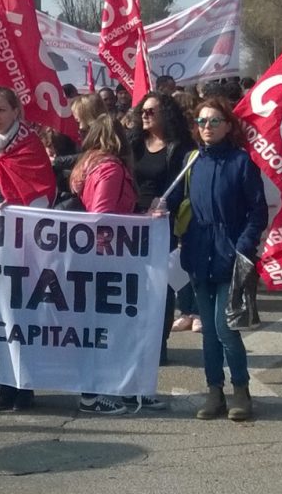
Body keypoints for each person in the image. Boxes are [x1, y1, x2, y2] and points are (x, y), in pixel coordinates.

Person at [166, 98, 268, 423]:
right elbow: (178, 202)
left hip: (231, 254)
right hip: (198, 253)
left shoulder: (242, 162)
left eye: (213, 121)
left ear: (228, 125)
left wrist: (242, 246)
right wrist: (159, 209)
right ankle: (214, 390)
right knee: (208, 331)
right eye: (201, 121)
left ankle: (241, 389)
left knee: (226, 329)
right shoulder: (191, 160)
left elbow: (258, 211)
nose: (206, 127)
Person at [0, 88, 56, 411]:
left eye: (0, 110)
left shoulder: (30, 146)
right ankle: (4, 383)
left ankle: (25, 384)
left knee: (20, 313)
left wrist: (16, 206)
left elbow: (43, 190)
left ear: (16, 111)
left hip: (21, 244)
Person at [69, 114, 155, 414]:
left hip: (97, 257)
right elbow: (103, 215)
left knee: (103, 326)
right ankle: (93, 395)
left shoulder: (86, 165)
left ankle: (115, 388)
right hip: (109, 258)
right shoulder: (110, 168)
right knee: (108, 327)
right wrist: (142, 221)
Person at [130, 93, 199, 341]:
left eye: (151, 111)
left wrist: (166, 204)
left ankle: (158, 343)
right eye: (143, 112)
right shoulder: (134, 142)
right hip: (132, 221)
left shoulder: (181, 148)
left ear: (166, 115)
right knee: (135, 283)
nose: (145, 116)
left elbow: (185, 186)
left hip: (162, 223)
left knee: (161, 284)